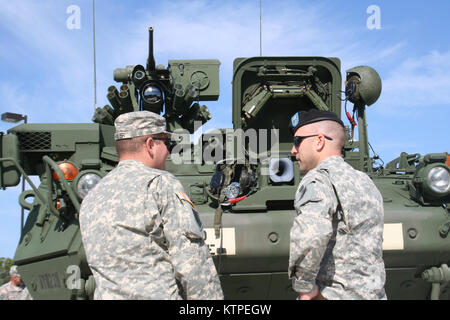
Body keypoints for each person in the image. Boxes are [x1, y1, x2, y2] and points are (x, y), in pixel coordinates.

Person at [79, 111, 224, 300]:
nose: (168, 151)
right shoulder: (159, 183)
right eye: (166, 143)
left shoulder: (92, 197)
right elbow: (193, 264)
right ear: (150, 144)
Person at [288, 109, 386, 300]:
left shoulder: (318, 179)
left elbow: (310, 235)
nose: (293, 150)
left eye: (298, 141)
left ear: (319, 141)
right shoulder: (365, 181)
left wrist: (305, 287)